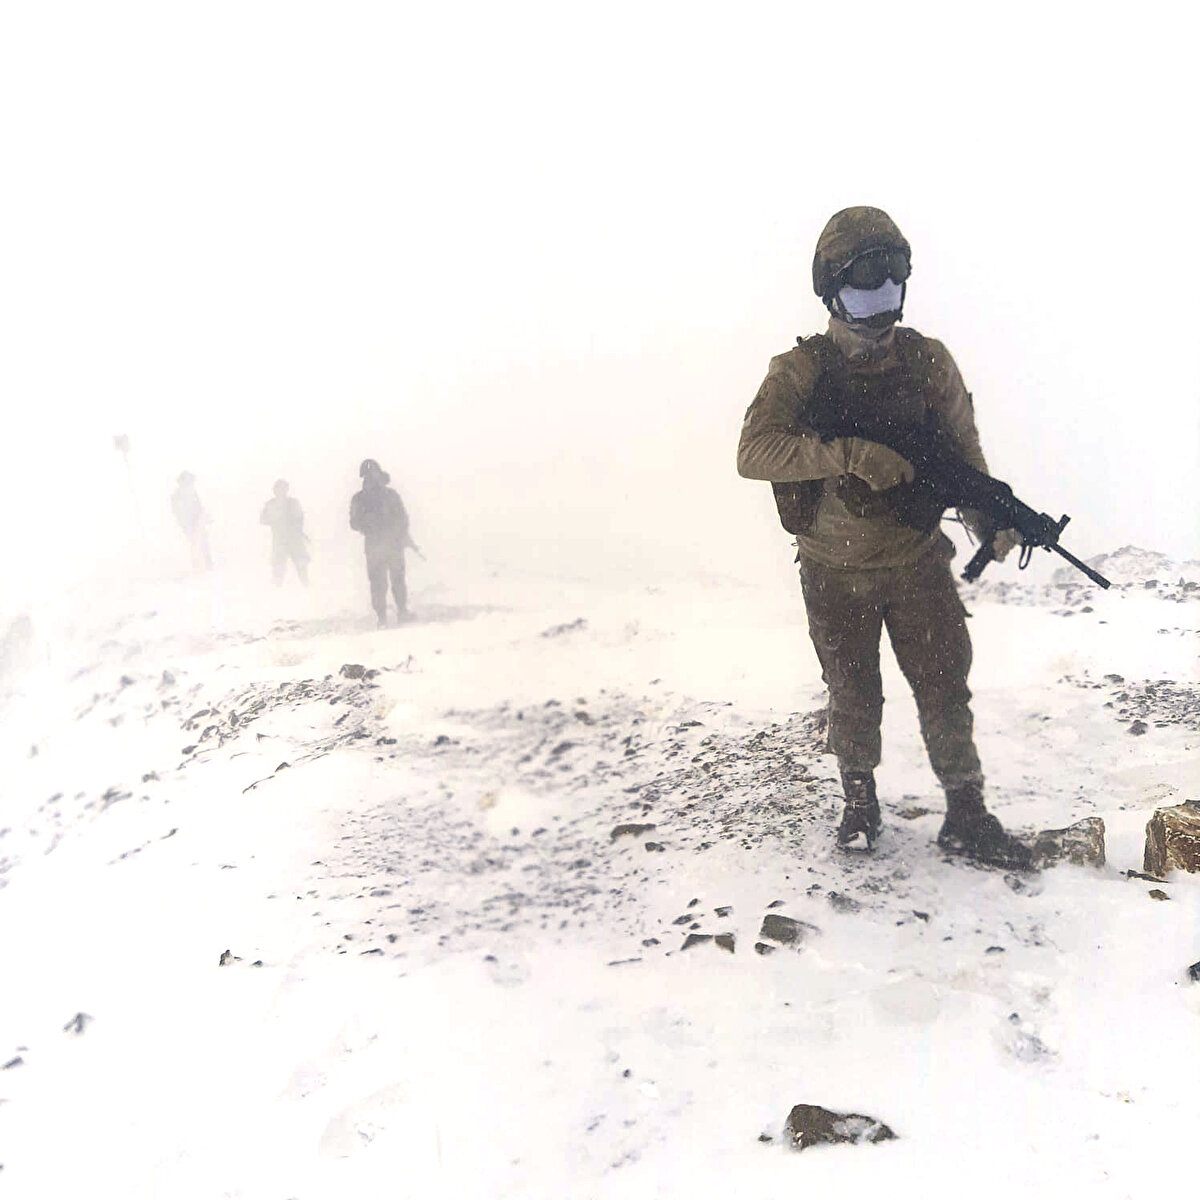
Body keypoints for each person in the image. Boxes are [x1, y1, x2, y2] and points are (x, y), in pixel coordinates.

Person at [736, 206, 1030, 869]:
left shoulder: (928, 362)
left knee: (944, 686)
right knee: (852, 693)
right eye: (865, 291)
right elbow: (753, 452)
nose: (880, 310)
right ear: (831, 292)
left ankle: (966, 812)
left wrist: (991, 520)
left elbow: (964, 460)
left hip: (917, 561)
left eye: (891, 289)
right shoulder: (800, 371)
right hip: (833, 571)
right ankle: (859, 804)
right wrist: (847, 455)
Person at [349, 459, 413, 627]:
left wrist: (402, 535)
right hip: (376, 545)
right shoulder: (361, 499)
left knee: (395, 580)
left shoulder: (389, 496)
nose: (371, 479)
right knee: (379, 582)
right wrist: (371, 525)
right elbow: (354, 523)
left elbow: (402, 518)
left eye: (373, 475)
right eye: (368, 476)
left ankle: (400, 612)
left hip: (391, 544)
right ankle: (383, 617)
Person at [260, 479, 310, 586]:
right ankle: (276, 591)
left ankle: (307, 588)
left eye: (283, 488)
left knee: (301, 568)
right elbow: (263, 519)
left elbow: (300, 518)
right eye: (278, 489)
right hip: (280, 540)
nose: (280, 491)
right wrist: (275, 519)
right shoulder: (271, 504)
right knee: (278, 570)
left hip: (294, 539)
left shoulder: (293, 503)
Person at [171, 471, 213, 570]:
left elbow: (199, 507)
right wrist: (185, 525)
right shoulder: (177, 496)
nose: (191, 484)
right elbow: (178, 513)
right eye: (189, 482)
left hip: (197, 522)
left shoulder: (193, 494)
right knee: (194, 545)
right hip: (188, 525)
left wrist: (205, 517)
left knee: (203, 543)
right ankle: (197, 567)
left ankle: (208, 565)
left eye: (191, 482)